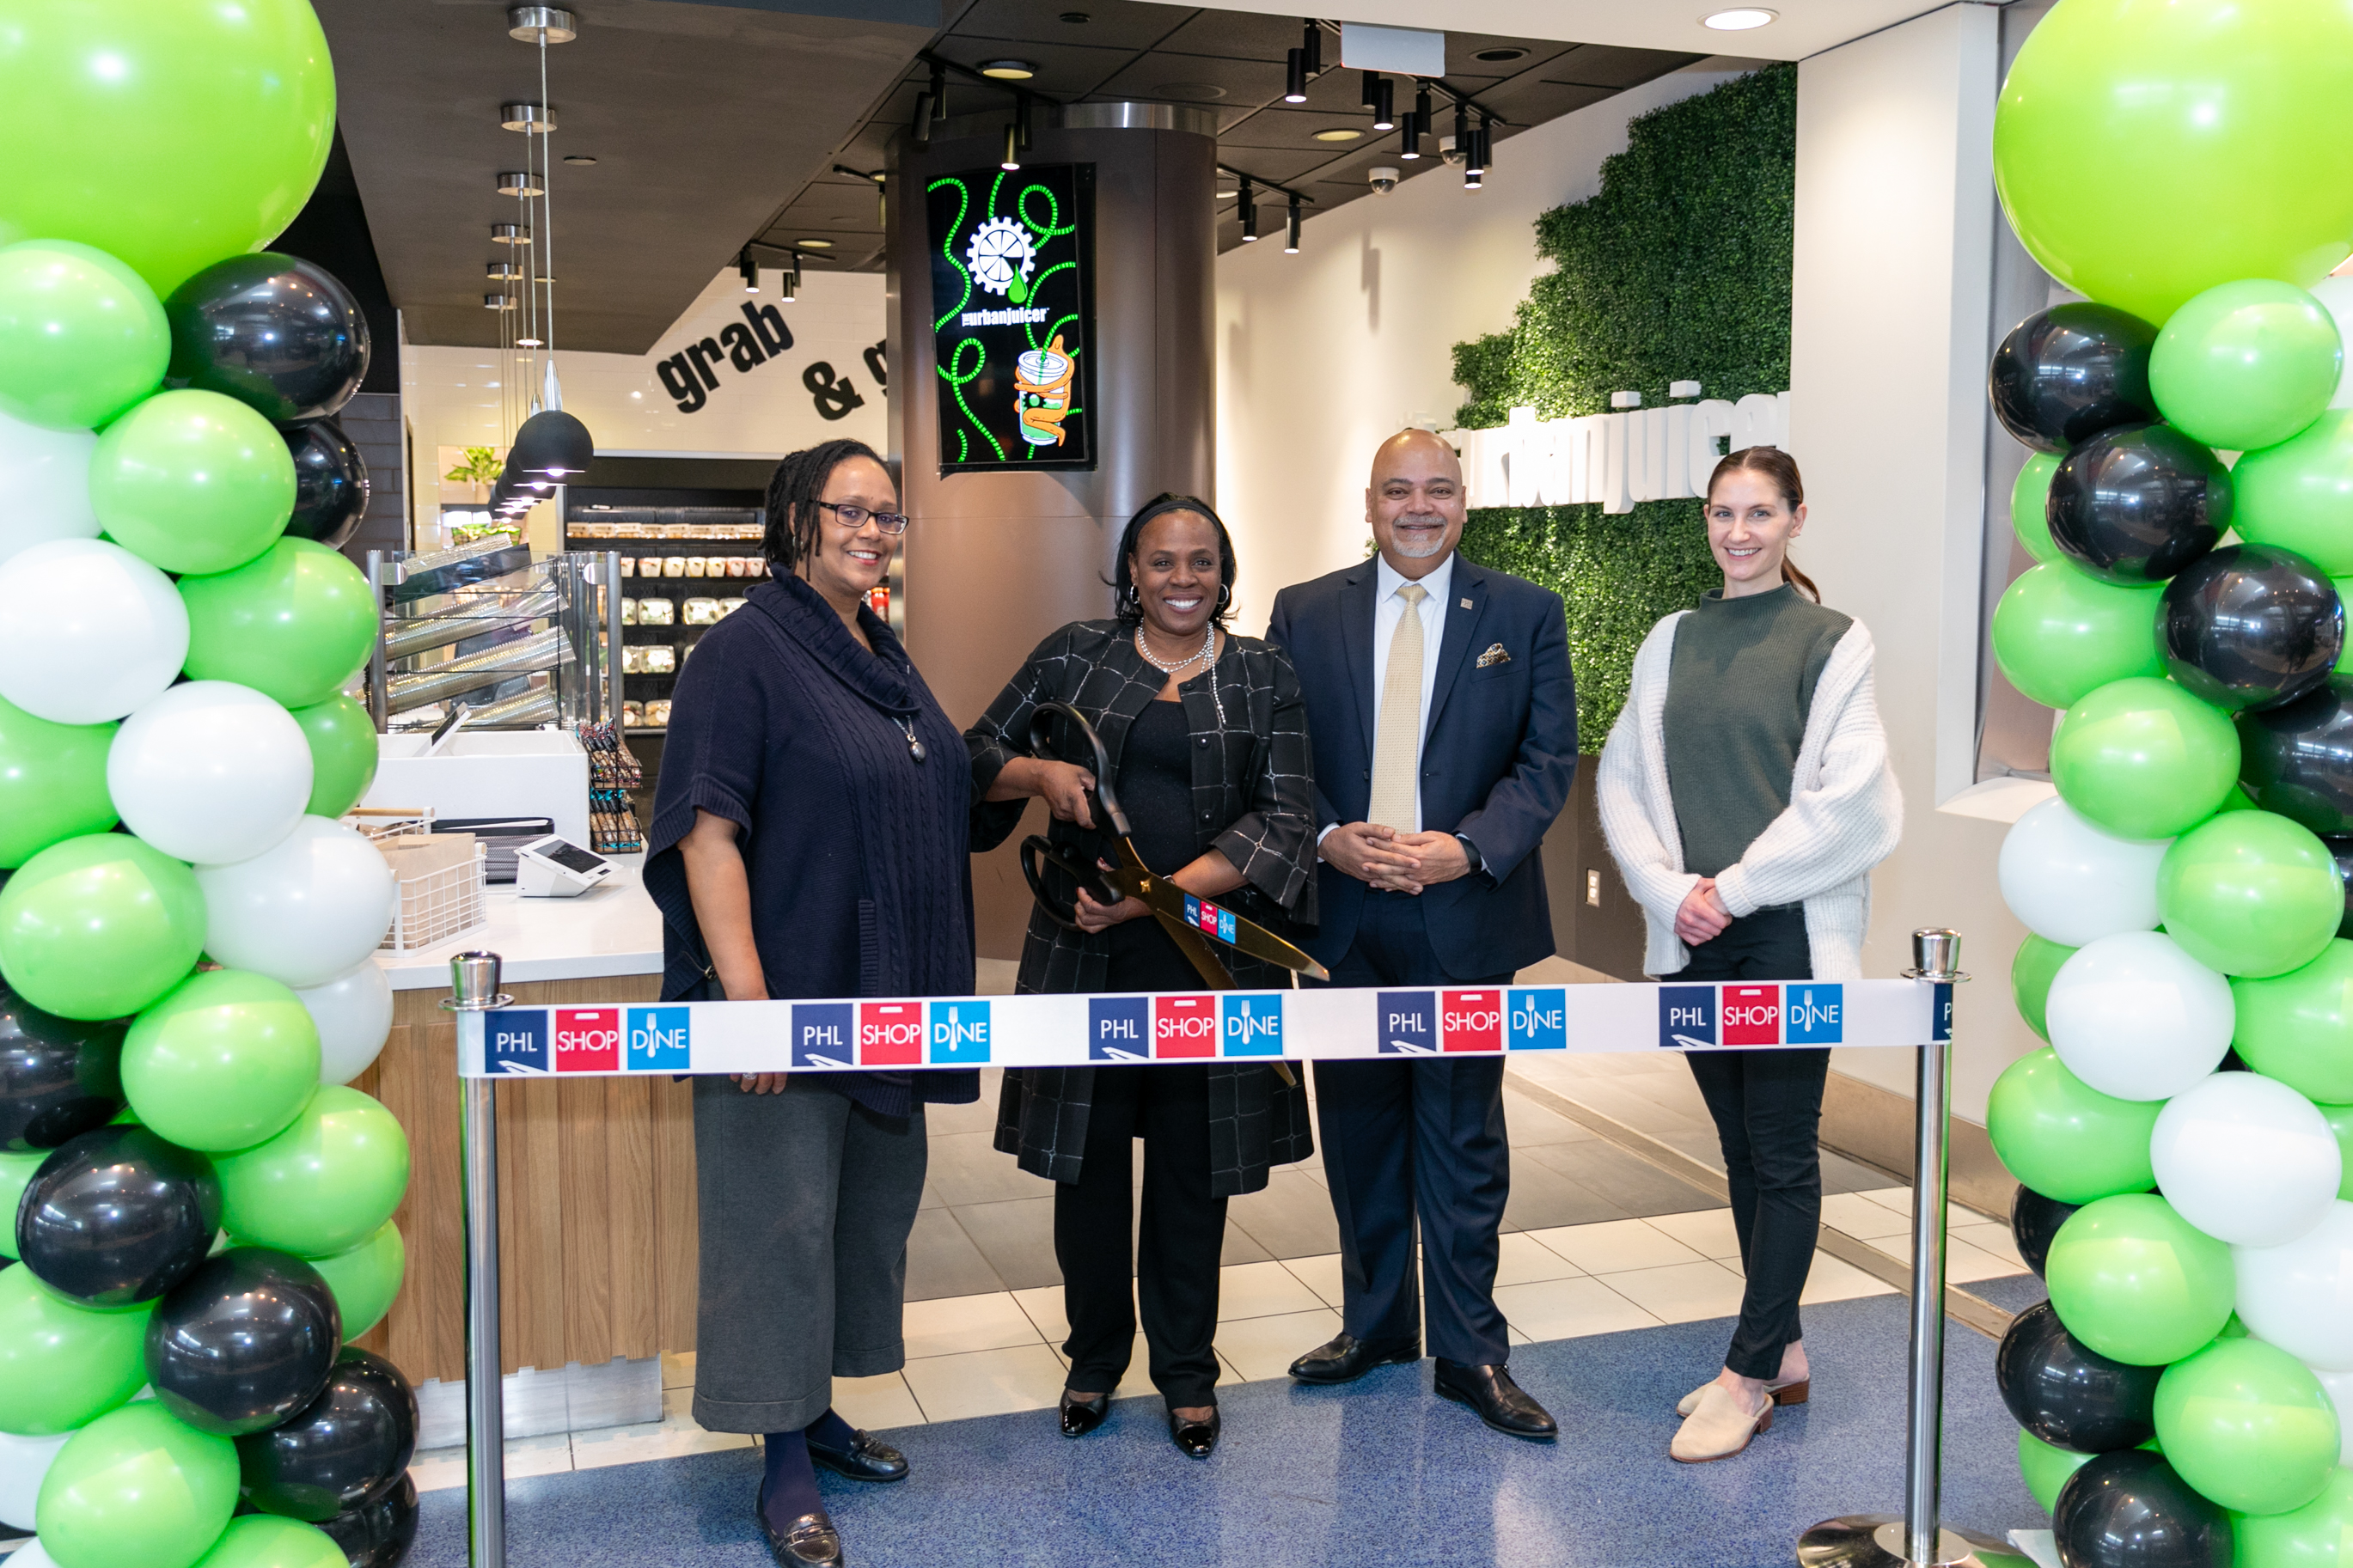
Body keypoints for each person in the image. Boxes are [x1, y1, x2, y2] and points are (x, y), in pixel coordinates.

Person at [643, 438, 981, 1568]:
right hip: (785, 1003)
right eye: (852, 509)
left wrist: (1017, 777)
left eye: (889, 515)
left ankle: (818, 1411)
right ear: (795, 516)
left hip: (882, 997)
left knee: (855, 1219)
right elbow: (705, 827)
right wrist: (746, 1000)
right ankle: (781, 1463)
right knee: (776, 1229)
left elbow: (932, 775)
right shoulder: (740, 654)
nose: (874, 530)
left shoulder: (879, 651)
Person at [968, 493, 1318, 1461]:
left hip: (1210, 960)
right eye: (1160, 561)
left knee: (1190, 1172)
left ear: (1223, 573)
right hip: (1083, 956)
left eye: (1200, 562)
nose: (1180, 579)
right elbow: (975, 757)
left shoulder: (1262, 675)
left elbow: (1286, 818)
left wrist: (1156, 895)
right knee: (1084, 1171)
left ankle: (1187, 1373)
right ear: (1129, 570)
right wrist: (1038, 778)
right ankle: (1091, 1359)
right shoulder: (1072, 654)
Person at [1266, 430, 1578, 1441]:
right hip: (1344, 917)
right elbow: (1275, 754)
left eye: (1436, 489)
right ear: (1367, 502)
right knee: (1359, 1139)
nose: (1417, 506)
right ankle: (1374, 1328)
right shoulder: (1303, 612)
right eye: (1397, 489)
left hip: (1463, 914)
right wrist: (1323, 835)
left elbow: (1546, 759)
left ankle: (1470, 1349)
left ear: (1462, 501)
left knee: (1461, 1144)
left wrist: (1466, 849)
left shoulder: (1525, 613)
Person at [1597, 446, 1901, 1463]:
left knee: (1779, 1151)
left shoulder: (1832, 639)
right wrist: (1667, 891)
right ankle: (1788, 1345)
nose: (1737, 532)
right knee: (1736, 1151)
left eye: (1758, 513)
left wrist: (1728, 890)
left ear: (1794, 520)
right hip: (1690, 935)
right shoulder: (1668, 638)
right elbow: (1622, 779)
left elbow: (1849, 800)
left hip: (1783, 932)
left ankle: (1747, 1373)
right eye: (1722, 513)